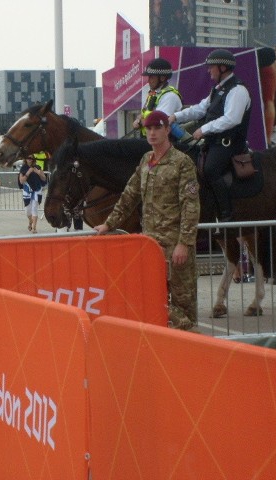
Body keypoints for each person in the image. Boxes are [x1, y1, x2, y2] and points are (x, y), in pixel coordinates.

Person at [94, 111, 200, 330]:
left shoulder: (182, 163)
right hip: (151, 246)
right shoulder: (145, 161)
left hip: (175, 247)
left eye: (157, 128)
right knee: (152, 301)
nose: (152, 133)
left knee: (184, 307)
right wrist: (109, 224)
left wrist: (184, 243)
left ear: (167, 130)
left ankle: (185, 349)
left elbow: (191, 206)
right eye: (148, 129)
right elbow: (130, 195)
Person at [169, 49, 251, 222]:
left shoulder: (238, 90)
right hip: (215, 143)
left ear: (222, 68)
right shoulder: (217, 89)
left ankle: (225, 214)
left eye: (211, 67)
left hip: (230, 144)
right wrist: (175, 117)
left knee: (210, 169)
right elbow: (199, 109)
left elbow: (232, 119)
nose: (209, 71)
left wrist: (204, 129)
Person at [132, 58, 183, 139]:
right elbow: (144, 114)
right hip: (151, 139)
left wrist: (141, 122)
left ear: (162, 78)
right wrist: (138, 120)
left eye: (151, 77)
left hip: (164, 142)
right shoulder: (154, 94)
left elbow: (158, 122)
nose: (148, 81)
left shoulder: (170, 96)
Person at [19, 155, 47, 234]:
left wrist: (38, 173)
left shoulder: (37, 167)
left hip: (37, 190)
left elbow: (44, 178)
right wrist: (28, 172)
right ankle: (30, 221)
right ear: (26, 159)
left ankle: (34, 227)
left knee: (34, 208)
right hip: (27, 191)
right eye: (28, 158)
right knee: (27, 211)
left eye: (31, 158)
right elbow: (21, 181)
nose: (30, 160)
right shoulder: (23, 168)